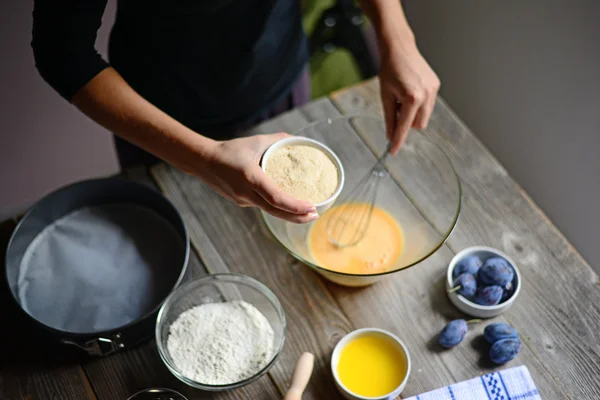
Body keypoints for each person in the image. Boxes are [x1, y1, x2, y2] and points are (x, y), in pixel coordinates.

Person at [32, 0, 439, 224]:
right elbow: (62, 52)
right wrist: (204, 159)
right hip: (161, 120)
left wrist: (396, 35)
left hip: (281, 75)